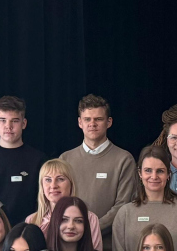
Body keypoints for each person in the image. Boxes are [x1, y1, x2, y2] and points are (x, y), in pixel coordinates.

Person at [106, 144, 177, 251]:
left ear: (168, 174)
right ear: (140, 173)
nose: (154, 176)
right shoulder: (125, 213)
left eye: (160, 171)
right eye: (148, 170)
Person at [57, 93, 137, 221]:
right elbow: (58, 201)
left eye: (98, 119)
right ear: (80, 122)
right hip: (70, 232)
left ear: (109, 122)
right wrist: (74, 227)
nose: (92, 124)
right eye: (87, 119)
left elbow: (122, 206)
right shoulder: (65, 159)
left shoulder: (124, 160)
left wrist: (93, 229)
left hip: (109, 234)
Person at [0, 95, 46, 224]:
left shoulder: (38, 160)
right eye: (3, 120)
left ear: (24, 123)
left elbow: (45, 200)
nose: (8, 126)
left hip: (26, 230)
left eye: (14, 121)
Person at [28, 159, 106, 250]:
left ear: (71, 184)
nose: (53, 185)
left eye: (60, 179)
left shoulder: (90, 218)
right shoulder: (32, 220)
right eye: (48, 180)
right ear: (42, 186)